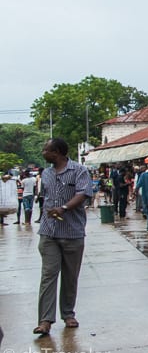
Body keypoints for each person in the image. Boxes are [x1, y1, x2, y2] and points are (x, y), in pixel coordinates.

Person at [33, 138, 93, 336]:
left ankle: (68, 314)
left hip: (72, 232)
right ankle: (45, 320)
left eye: (46, 149)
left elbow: (83, 194)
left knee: (70, 276)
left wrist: (64, 208)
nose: (43, 152)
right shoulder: (47, 173)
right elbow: (46, 197)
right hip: (49, 232)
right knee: (48, 275)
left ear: (57, 152)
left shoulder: (79, 171)